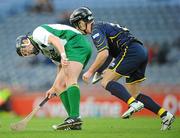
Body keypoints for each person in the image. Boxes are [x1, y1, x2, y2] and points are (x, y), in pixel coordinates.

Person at [69, 7, 175, 131]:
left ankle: (133, 104)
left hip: (130, 51)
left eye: (77, 24)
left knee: (106, 82)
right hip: (140, 51)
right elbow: (108, 54)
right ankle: (165, 115)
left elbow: (103, 53)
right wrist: (100, 71)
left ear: (82, 22)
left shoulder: (96, 30)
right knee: (134, 94)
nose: (77, 28)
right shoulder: (101, 26)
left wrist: (90, 71)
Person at [16, 23, 92, 130]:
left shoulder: (37, 33)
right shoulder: (44, 49)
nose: (28, 52)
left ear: (26, 41)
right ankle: (74, 122)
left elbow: (55, 39)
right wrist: (54, 87)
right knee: (59, 86)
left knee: (70, 80)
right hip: (74, 48)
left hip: (75, 43)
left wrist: (63, 55)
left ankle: (75, 117)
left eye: (25, 50)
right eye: (25, 54)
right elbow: (60, 65)